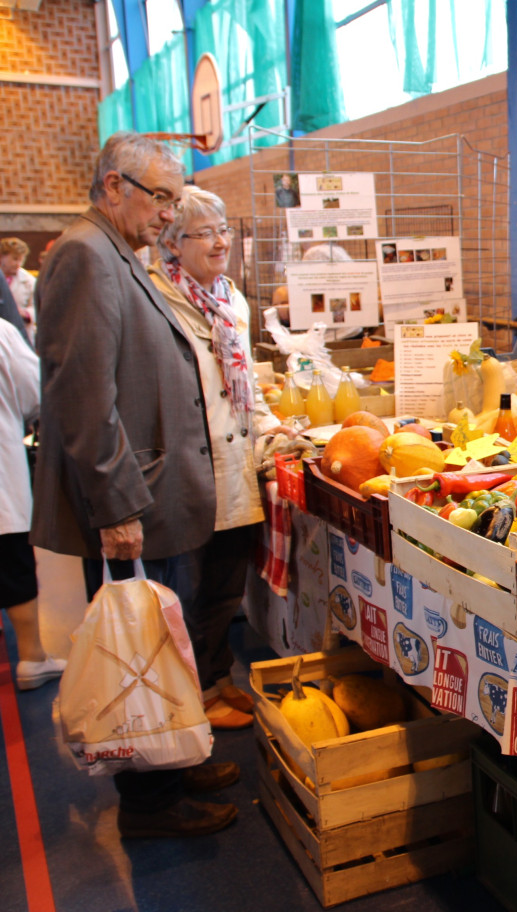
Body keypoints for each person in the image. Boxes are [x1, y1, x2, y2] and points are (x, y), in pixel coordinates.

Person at [31, 132, 238, 838]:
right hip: (136, 505)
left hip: (159, 499)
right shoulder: (87, 258)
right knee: (145, 653)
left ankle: (174, 764)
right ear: (113, 186)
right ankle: (152, 805)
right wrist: (116, 506)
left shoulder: (120, 254)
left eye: (175, 200)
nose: (166, 214)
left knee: (168, 645)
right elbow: (83, 398)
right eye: (160, 198)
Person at [150, 187, 281, 730]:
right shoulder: (160, 300)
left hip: (236, 469)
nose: (220, 241)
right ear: (173, 244)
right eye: (204, 233)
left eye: (224, 229)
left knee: (226, 587)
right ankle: (194, 696)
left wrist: (273, 428)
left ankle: (219, 679)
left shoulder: (231, 298)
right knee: (189, 588)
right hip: (190, 472)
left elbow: (244, 382)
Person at [0, 285, 65, 690]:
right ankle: (31, 657)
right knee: (11, 562)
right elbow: (35, 390)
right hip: (2, 484)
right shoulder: (2, 335)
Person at [1, 237, 37, 339]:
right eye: (15, 259)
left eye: (21, 260)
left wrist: (25, 313)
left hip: (19, 332)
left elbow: (38, 308)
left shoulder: (29, 281)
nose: (18, 264)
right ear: (2, 256)